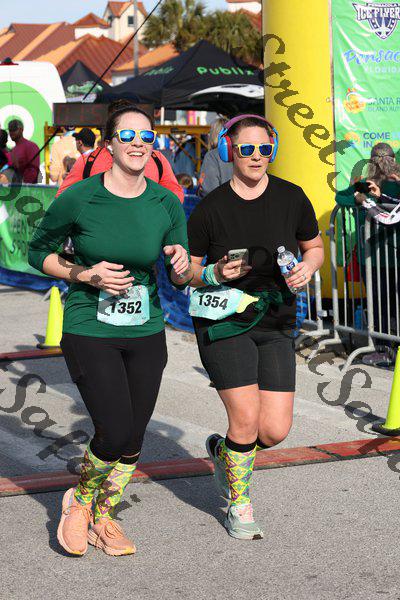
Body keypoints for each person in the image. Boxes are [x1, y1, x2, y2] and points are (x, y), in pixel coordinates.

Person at [28, 103, 193, 557]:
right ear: (109, 145)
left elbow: (181, 275)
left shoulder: (166, 202)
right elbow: (37, 252)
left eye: (147, 137)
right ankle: (81, 501)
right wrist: (84, 274)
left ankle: (104, 515)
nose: (139, 144)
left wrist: (182, 265)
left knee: (134, 436)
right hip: (90, 326)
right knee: (115, 430)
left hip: (146, 328)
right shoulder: (80, 197)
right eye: (128, 136)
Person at [187, 114, 323, 540]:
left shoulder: (292, 197)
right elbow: (185, 271)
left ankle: (226, 453)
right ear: (229, 150)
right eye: (247, 148)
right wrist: (213, 273)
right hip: (223, 322)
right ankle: (239, 504)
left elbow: (314, 246)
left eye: (265, 148)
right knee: (245, 419)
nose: (257, 156)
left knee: (274, 430)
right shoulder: (210, 208)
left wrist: (308, 267)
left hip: (276, 319)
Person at [336, 143, 400, 365]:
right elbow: (341, 198)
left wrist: (365, 198)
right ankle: (384, 350)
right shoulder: (366, 184)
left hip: (384, 258)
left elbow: (341, 198)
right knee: (381, 306)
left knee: (382, 306)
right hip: (374, 259)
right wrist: (359, 196)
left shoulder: (392, 184)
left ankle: (386, 350)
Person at [57, 101, 184, 202]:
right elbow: (64, 200)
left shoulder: (157, 159)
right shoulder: (88, 161)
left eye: (145, 134)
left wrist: (152, 212)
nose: (137, 143)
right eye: (126, 134)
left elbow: (175, 196)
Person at [198, 117, 233, 197]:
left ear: (213, 135)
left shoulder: (212, 156)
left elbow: (208, 189)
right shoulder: (238, 153)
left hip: (221, 202)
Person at [8, 119, 40, 183]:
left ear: (21, 130)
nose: (11, 132)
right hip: (14, 187)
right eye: (10, 130)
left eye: (14, 129)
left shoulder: (31, 146)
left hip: (26, 187)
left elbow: (33, 170)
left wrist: (24, 185)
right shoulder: (12, 150)